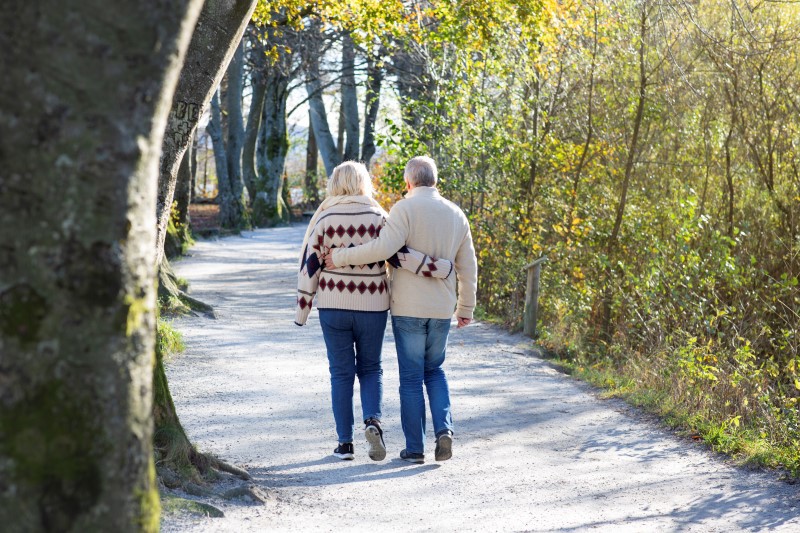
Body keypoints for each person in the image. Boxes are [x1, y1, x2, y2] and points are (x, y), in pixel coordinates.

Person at [295, 161, 453, 461]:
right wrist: (439, 268)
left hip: (333, 304)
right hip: (373, 305)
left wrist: (302, 309)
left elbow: (310, 264)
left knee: (340, 374)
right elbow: (399, 256)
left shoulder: (324, 216)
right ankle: (373, 422)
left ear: (335, 183)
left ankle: (345, 444)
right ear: (364, 182)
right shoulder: (380, 215)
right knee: (371, 368)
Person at [324, 156, 478, 464]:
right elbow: (468, 266)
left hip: (408, 307)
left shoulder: (404, 209)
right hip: (441, 308)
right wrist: (466, 306)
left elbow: (383, 249)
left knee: (410, 378)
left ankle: (415, 449)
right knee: (435, 371)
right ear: (435, 181)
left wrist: (340, 257)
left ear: (408, 183)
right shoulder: (456, 214)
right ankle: (444, 430)